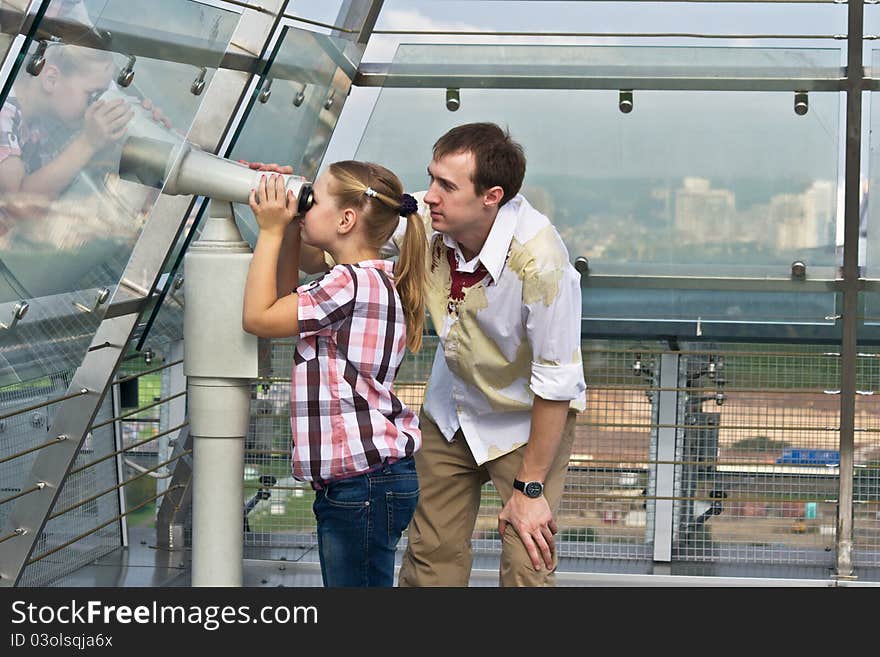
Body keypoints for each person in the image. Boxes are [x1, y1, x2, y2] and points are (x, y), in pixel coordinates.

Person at [386, 122, 587, 587]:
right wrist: (288, 200)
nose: (429, 195)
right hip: (452, 409)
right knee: (430, 556)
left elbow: (557, 384)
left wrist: (531, 488)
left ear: (491, 196)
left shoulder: (541, 260)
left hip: (526, 423)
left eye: (446, 186)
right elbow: (344, 229)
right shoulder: (426, 219)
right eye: (431, 177)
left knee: (526, 561)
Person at [242, 160, 427, 587]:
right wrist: (290, 226)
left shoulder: (346, 285)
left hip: (360, 486)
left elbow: (258, 316)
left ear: (346, 219)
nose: (306, 205)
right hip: (373, 479)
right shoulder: (370, 280)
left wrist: (270, 230)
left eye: (314, 199)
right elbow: (284, 301)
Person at [0, 43, 133, 200]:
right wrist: (88, 142)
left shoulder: (47, 118)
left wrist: (142, 121)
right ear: (51, 79)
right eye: (93, 94)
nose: (96, 104)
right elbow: (16, 201)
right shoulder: (4, 114)